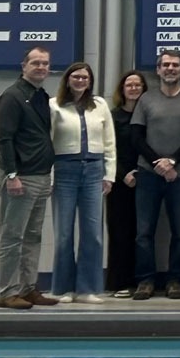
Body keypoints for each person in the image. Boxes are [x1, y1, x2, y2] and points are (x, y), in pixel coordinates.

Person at [131, 50, 180, 301]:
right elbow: (136, 136)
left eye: (175, 65)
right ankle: (146, 281)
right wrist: (157, 163)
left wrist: (172, 161)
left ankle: (175, 281)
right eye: (165, 65)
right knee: (144, 232)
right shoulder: (146, 99)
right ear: (158, 69)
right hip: (148, 174)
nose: (170, 69)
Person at [48, 61, 115, 304]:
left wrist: (109, 175)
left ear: (90, 81)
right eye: (76, 77)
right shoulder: (54, 105)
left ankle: (88, 288)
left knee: (93, 233)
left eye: (85, 78)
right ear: (67, 79)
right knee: (64, 233)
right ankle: (63, 288)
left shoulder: (99, 105)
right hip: (65, 169)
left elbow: (110, 143)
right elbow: (49, 143)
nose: (80, 81)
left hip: (94, 171)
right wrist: (51, 176)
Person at [0, 48, 57, 310]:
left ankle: (28, 287)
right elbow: (4, 138)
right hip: (20, 176)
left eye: (45, 63)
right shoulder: (12, 96)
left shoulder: (41, 96)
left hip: (41, 176)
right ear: (24, 65)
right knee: (13, 237)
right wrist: (12, 175)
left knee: (33, 236)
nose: (41, 67)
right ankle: (7, 291)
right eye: (36, 63)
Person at [106, 69, 147, 296]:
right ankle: (118, 281)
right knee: (119, 231)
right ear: (122, 89)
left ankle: (139, 279)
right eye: (129, 85)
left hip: (145, 177)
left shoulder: (148, 116)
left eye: (137, 85)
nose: (133, 88)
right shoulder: (113, 116)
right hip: (119, 180)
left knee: (141, 232)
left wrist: (139, 172)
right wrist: (124, 175)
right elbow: (108, 149)